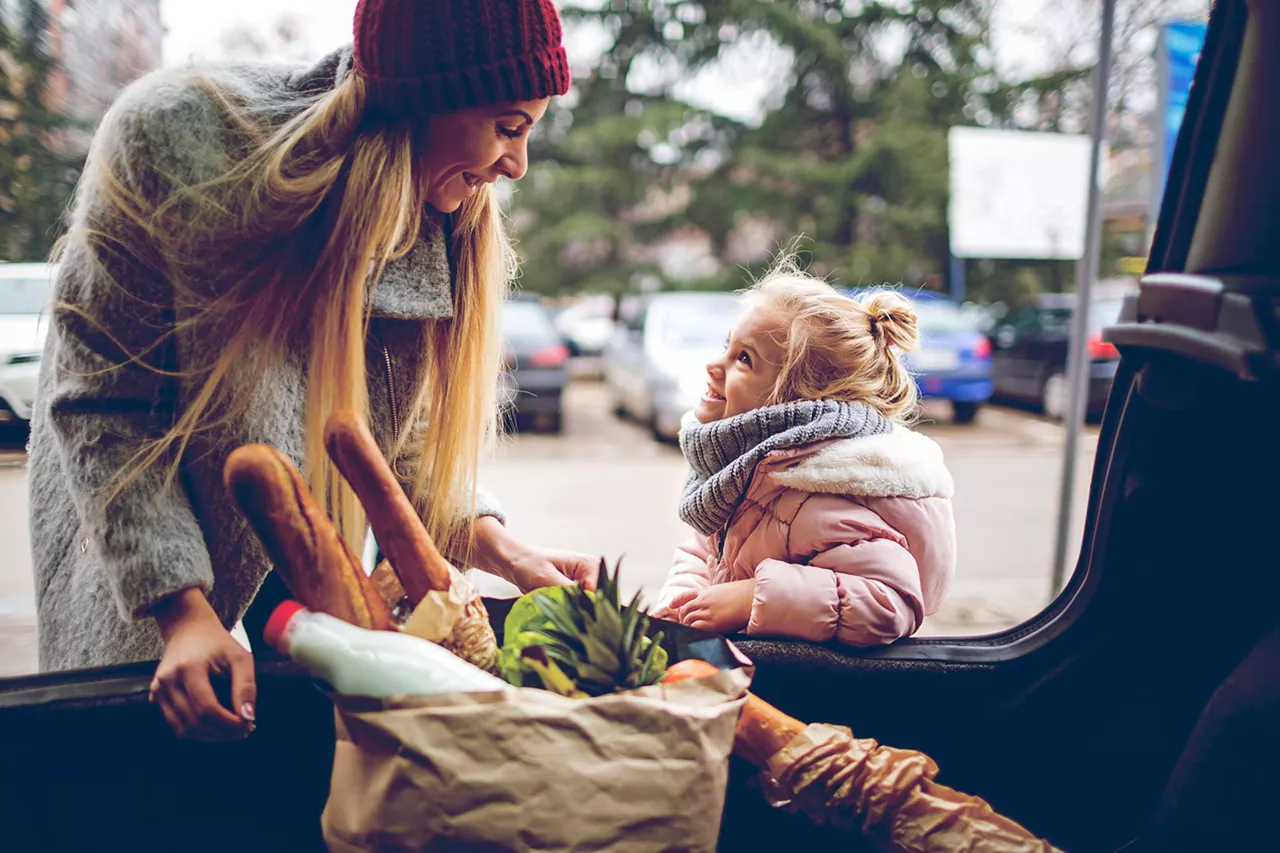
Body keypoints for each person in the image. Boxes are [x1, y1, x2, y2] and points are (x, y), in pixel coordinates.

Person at [27, 0, 597, 742]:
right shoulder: (172, 142)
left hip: (302, 569)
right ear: (425, 98)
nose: (516, 163)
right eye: (509, 126)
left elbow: (398, 434)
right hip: (148, 569)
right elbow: (103, 400)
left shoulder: (441, 209)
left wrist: (501, 547)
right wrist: (183, 608)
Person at [653, 256, 956, 645]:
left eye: (744, 359)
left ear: (791, 403)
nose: (714, 365)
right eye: (727, 346)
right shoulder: (745, 468)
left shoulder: (814, 497)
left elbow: (890, 601)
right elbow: (705, 548)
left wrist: (753, 599)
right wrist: (679, 606)